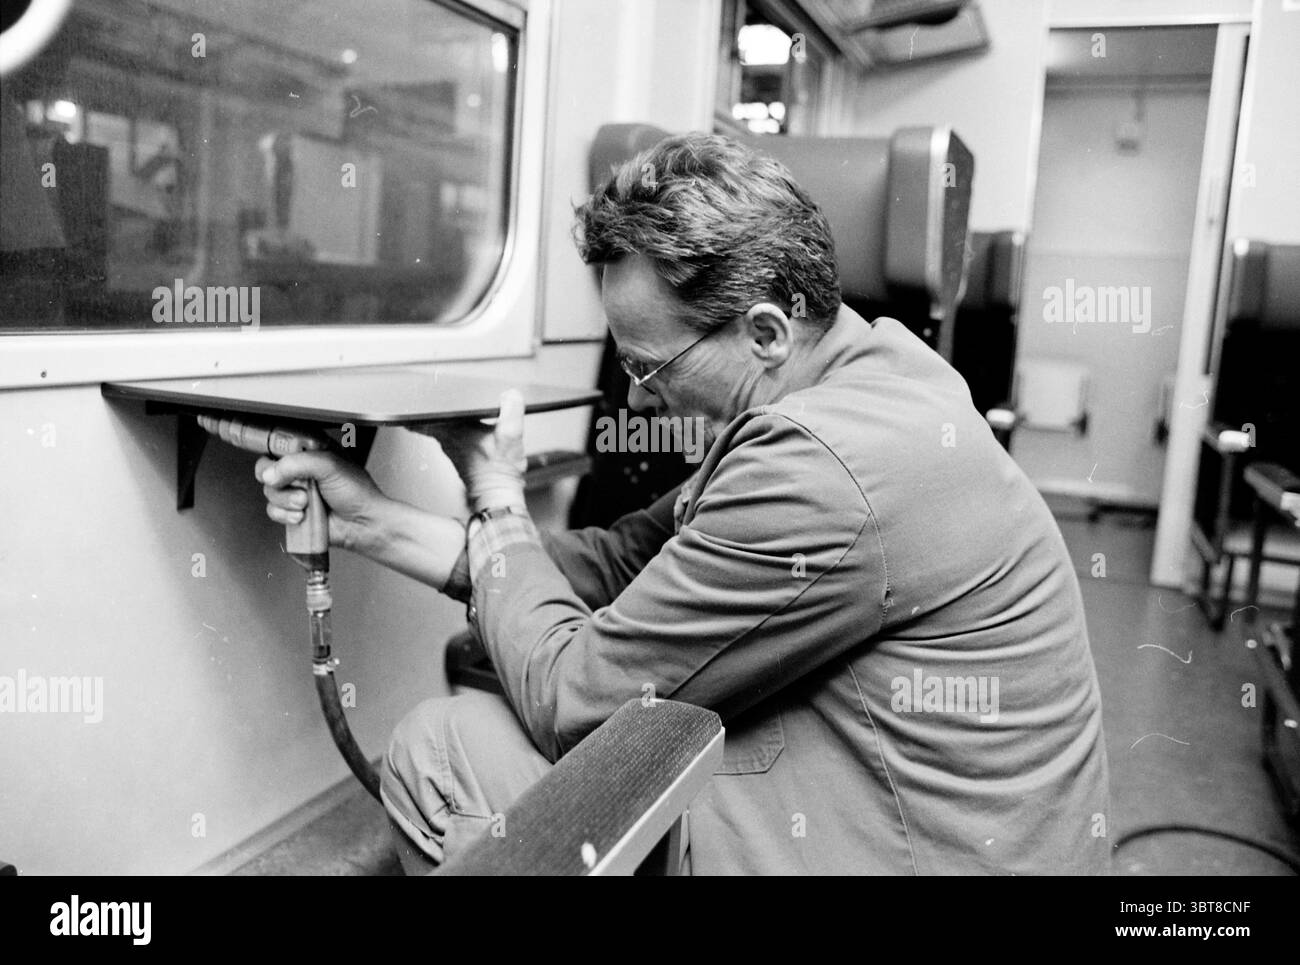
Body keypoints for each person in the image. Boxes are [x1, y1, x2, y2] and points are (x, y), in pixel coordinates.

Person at [258, 133, 1110, 875]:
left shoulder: (822, 467)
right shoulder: (872, 375)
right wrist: (373, 518)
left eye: (649, 369)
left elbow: (573, 701)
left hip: (912, 853)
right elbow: (626, 558)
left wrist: (496, 494)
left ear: (766, 332)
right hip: (929, 823)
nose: (636, 404)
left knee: (444, 748)